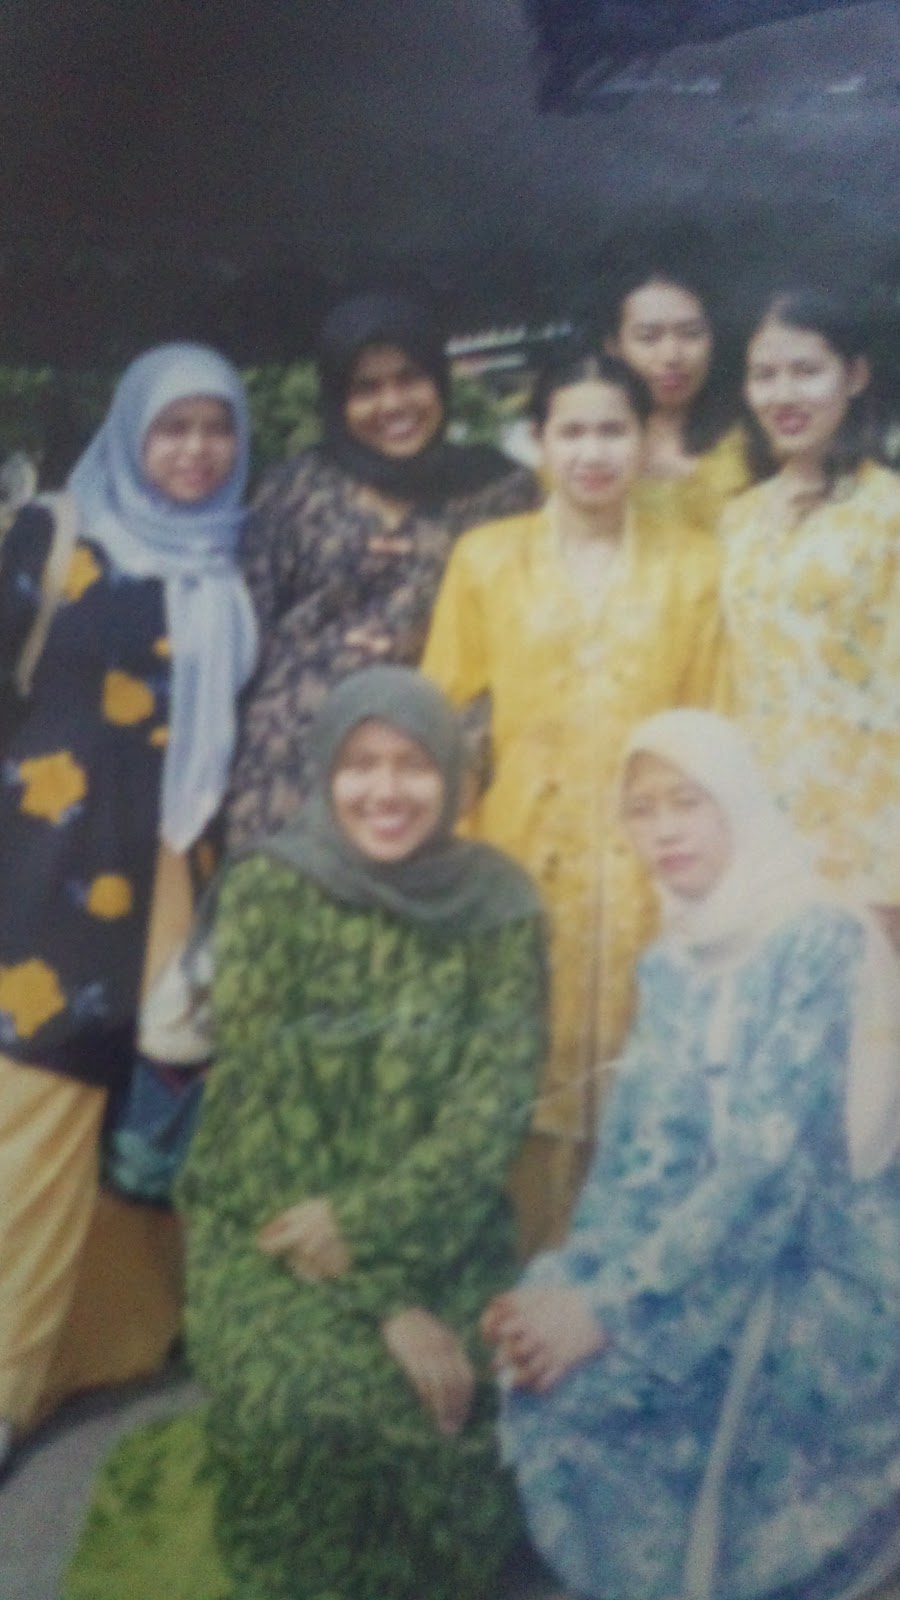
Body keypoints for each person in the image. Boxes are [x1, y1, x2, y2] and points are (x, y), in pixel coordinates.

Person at [65, 667, 546, 1600]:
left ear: (452, 776)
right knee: (312, 1410)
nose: (386, 790)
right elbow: (264, 1123)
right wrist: (381, 1300)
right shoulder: (271, 891)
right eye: (361, 763)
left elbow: (489, 1113)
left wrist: (379, 1240)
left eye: (413, 764)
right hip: (270, 1226)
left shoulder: (498, 906)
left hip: (439, 1232)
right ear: (325, 770)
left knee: (466, 1409)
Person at [485, 707, 900, 1600]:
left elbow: (767, 1169)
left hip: (822, 1264)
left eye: (688, 802)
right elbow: (642, 1153)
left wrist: (613, 1309)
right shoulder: (674, 961)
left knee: (640, 1389)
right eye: (641, 810)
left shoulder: (815, 938)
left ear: (739, 803)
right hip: (709, 1252)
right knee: (550, 1363)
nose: (664, 831)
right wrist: (578, 1281)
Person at [0, 344, 257, 1460]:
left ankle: (93, 1348)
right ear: (131, 431)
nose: (196, 451)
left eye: (216, 428)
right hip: (41, 882)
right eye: (173, 428)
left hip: (174, 881)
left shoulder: (236, 560)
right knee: (28, 1118)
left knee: (142, 1109)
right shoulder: (54, 535)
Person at [422, 348, 729, 1251]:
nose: (593, 453)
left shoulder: (695, 567)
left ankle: (619, 1288)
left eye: (613, 431)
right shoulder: (486, 559)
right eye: (573, 431)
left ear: (643, 438)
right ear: (539, 439)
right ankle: (515, 1281)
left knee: (648, 1071)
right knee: (521, 1067)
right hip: (519, 856)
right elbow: (439, 713)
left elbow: (715, 725)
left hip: (654, 867)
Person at [225, 287, 539, 849]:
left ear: (440, 380)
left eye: (410, 378)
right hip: (290, 774)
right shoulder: (295, 489)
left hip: (427, 775)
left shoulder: (501, 492)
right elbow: (247, 636)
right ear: (337, 399)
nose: (393, 404)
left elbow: (521, 635)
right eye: (365, 388)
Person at [721, 289, 900, 949]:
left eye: (806, 371)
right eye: (764, 375)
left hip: (865, 846)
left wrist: (889, 874)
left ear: (855, 376)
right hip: (754, 840)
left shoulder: (889, 513)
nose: (783, 395)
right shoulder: (737, 520)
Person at [602, 265, 748, 543]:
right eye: (648, 337)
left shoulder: (751, 436)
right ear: (614, 348)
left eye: (691, 334)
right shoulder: (587, 443)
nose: (672, 356)